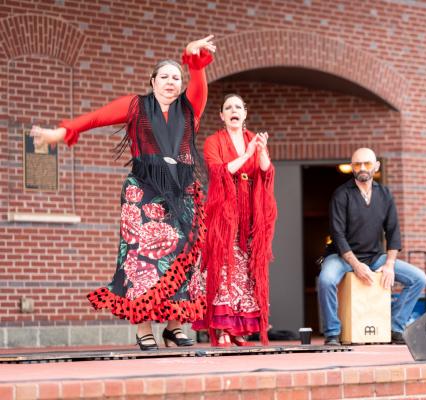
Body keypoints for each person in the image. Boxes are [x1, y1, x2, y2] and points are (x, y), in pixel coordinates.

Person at [29, 36, 216, 350]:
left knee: (183, 256)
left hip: (181, 194)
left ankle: (174, 326)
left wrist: (192, 57)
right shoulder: (135, 106)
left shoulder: (189, 108)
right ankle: (143, 329)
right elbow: (96, 118)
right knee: (140, 260)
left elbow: (198, 78)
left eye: (176, 77)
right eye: (165, 77)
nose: (171, 81)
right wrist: (60, 133)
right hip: (143, 192)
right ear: (152, 82)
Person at [317, 147, 426, 346]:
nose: (362, 168)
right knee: (326, 280)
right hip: (342, 257)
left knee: (419, 278)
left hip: (375, 256)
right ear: (352, 167)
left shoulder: (385, 194)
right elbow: (338, 235)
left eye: (367, 163)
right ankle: (333, 332)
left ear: (375, 166)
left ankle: (395, 327)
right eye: (357, 164)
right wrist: (356, 265)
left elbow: (393, 232)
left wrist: (390, 264)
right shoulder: (341, 195)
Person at [191, 93, 277, 346]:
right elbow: (219, 171)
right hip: (223, 212)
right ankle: (222, 328)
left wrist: (260, 152)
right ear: (222, 115)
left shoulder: (254, 140)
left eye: (237, 107)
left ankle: (240, 328)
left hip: (251, 211)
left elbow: (265, 171)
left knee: (247, 269)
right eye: (228, 107)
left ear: (245, 113)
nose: (233, 110)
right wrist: (247, 153)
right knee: (224, 265)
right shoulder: (213, 141)